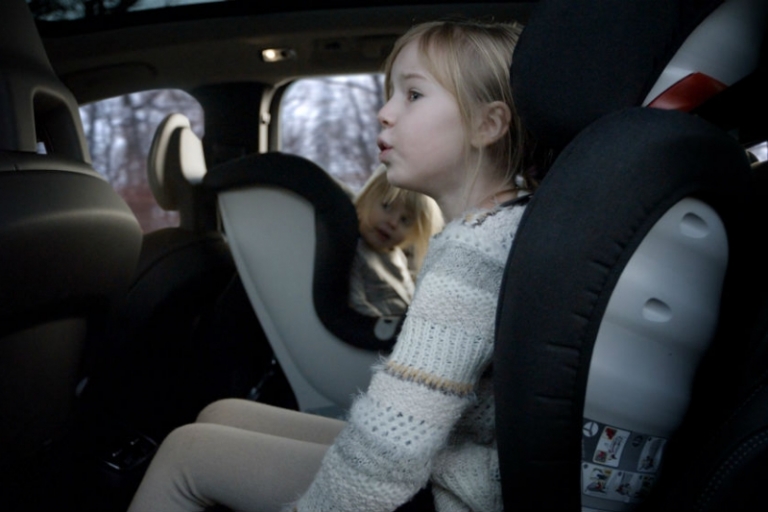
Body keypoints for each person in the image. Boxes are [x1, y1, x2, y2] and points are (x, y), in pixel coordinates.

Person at [127, 18, 537, 512]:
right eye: (390, 94)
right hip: (459, 461)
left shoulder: (470, 257)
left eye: (412, 95)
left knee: (184, 453)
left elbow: (393, 443)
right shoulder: (504, 227)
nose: (384, 113)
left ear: (486, 125)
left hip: (461, 494)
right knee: (221, 412)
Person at [349, 164, 442, 317]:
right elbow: (356, 304)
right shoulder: (355, 252)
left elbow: (408, 292)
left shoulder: (397, 255)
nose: (393, 223)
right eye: (386, 206)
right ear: (367, 198)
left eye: (405, 220)